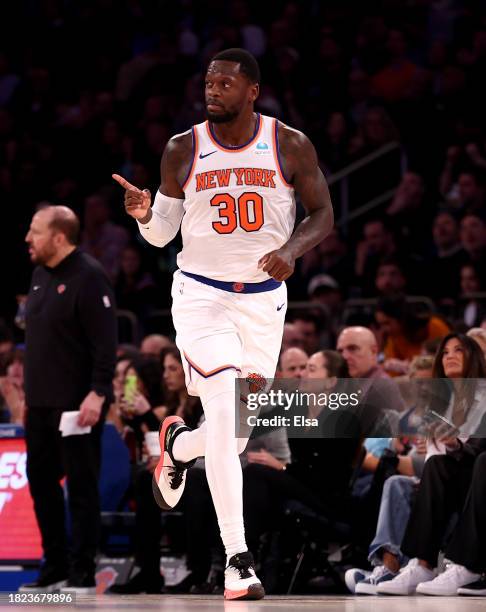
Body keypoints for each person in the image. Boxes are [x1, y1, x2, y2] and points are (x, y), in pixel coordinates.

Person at [113, 47, 333, 600]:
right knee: (227, 411)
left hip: (263, 303)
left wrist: (293, 247)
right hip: (201, 297)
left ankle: (181, 446)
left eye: (226, 84)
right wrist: (145, 216)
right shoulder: (182, 149)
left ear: (252, 91)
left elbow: (323, 213)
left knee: (231, 435)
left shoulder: (288, 144)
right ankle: (238, 559)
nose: (213, 91)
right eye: (209, 83)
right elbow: (163, 234)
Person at [20, 206, 117, 594]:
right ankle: (54, 566)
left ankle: (81, 571)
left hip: (78, 405)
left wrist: (98, 392)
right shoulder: (39, 275)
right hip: (40, 404)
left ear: (59, 237)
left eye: (35, 231)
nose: (28, 238)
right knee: (41, 485)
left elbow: (105, 344)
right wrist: (29, 395)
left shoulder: (89, 276)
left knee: (80, 486)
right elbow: (40, 344)